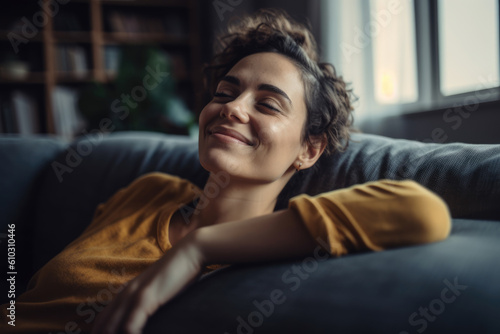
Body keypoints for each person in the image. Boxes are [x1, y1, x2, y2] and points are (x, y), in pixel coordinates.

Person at [1, 9, 451, 334]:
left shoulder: (278, 242)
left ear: (309, 150)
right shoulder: (149, 191)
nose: (230, 108)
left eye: (268, 103)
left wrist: (196, 248)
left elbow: (421, 211)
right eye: (224, 91)